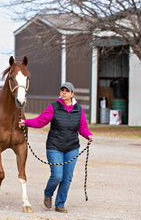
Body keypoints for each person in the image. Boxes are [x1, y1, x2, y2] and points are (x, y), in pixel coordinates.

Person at [19, 82, 93, 213]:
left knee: (67, 177)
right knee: (57, 175)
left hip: (72, 147)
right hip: (55, 146)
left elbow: (82, 127)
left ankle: (60, 204)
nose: (64, 92)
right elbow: (40, 121)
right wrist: (26, 122)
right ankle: (48, 193)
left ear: (72, 94)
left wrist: (88, 135)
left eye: (67, 90)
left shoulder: (78, 109)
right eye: (62, 90)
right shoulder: (54, 107)